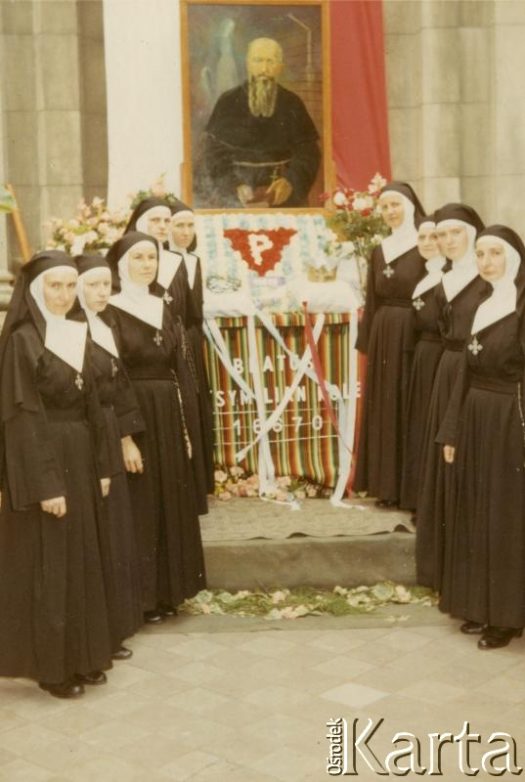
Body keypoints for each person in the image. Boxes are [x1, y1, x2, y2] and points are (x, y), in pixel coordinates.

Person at [0, 251, 113, 698]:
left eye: (70, 286)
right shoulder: (23, 341)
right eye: (55, 286)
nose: (64, 295)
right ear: (35, 291)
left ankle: (82, 657)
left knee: (81, 558)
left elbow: (94, 405)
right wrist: (46, 484)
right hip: (46, 460)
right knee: (51, 564)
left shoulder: (75, 331)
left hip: (81, 456)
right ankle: (52, 668)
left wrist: (103, 465)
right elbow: (24, 419)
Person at [106, 232, 206, 624]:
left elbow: (176, 368)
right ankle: (143, 596)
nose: (147, 265)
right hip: (136, 410)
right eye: (138, 258)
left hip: (166, 409)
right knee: (143, 501)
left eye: (152, 258)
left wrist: (185, 424)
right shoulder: (110, 310)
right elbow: (113, 377)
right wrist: (125, 433)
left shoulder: (161, 307)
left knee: (169, 495)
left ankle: (170, 591)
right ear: (121, 264)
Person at [438, 226, 525, 649]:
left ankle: (507, 617)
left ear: (514, 258)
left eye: (495, 254)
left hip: (512, 420)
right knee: (477, 508)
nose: (487, 262)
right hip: (475, 417)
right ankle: (481, 604)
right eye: (481, 254)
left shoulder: (521, 307)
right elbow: (464, 376)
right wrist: (452, 430)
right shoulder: (483, 304)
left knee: (506, 515)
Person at [76, 253, 145, 659]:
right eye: (94, 285)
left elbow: (120, 388)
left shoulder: (106, 323)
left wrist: (126, 437)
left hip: (108, 431)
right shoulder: (71, 329)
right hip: (88, 436)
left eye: (107, 285)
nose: (103, 292)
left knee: (115, 529)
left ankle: (116, 626)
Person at [415, 203, 487, 591]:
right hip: (447, 372)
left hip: (472, 375)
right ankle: (445, 572)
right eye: (440, 234)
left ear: (472, 233)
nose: (445, 241)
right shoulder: (446, 277)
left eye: (454, 233)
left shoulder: (486, 276)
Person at [126, 198, 211, 513]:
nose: (162, 227)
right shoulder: (129, 258)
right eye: (155, 221)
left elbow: (188, 312)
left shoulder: (176, 261)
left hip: (174, 351)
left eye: (166, 221)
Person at [353, 182, 426, 508]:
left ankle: (408, 489)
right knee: (385, 407)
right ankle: (386, 487)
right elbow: (372, 297)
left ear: (410, 206)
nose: (390, 212)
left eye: (395, 204)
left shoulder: (424, 244)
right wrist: (368, 340)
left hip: (412, 332)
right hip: (384, 334)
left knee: (408, 405)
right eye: (385, 207)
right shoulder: (380, 249)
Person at [199, 37, 320, 208]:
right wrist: (233, 185)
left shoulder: (293, 103)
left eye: (270, 61)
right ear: (248, 64)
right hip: (235, 195)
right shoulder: (228, 101)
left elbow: (309, 153)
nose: (264, 69)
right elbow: (213, 153)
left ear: (280, 67)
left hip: (281, 194)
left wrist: (290, 182)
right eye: (258, 60)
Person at [400, 215, 448, 512]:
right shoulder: (425, 275)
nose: (428, 243)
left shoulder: (447, 276)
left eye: (434, 237)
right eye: (422, 238)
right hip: (423, 355)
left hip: (439, 356)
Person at [168, 199, 215, 495]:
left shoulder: (195, 261)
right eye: (179, 226)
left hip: (192, 338)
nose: (185, 232)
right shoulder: (163, 261)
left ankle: (201, 481)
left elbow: (196, 310)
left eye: (189, 226)